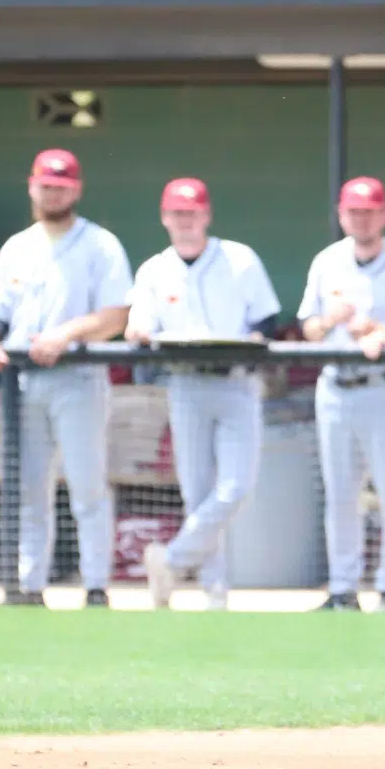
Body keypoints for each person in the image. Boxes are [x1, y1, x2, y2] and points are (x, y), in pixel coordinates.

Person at [0, 148, 133, 608]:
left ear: (77, 189)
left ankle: (96, 585)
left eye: (62, 185)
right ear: (31, 186)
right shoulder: (17, 246)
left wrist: (68, 332)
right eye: (46, 184)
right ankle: (29, 585)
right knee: (29, 487)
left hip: (78, 376)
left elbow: (117, 315)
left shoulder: (100, 243)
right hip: (24, 381)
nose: (53, 191)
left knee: (87, 484)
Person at [129, 179, 281, 611]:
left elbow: (267, 320)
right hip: (185, 382)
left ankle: (172, 561)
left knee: (235, 488)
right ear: (165, 218)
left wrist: (251, 340)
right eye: (177, 214)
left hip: (234, 381)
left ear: (207, 216)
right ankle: (214, 593)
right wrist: (138, 328)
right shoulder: (154, 269)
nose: (185, 221)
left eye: (192, 213)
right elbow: (140, 319)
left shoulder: (239, 259)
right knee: (196, 492)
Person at [299, 177, 385, 612]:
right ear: (341, 214)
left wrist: (383, 335)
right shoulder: (328, 261)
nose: (361, 218)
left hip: (384, 384)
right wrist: (330, 319)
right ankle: (342, 587)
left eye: (369, 211)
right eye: (354, 211)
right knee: (340, 493)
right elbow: (309, 329)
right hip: (335, 385)